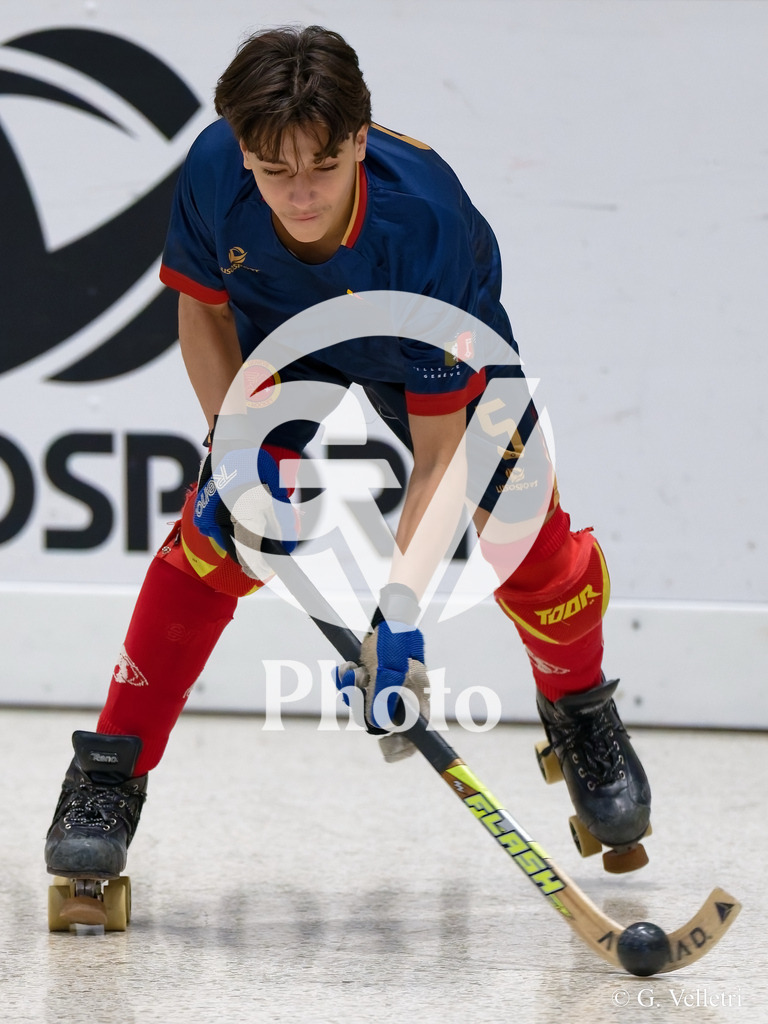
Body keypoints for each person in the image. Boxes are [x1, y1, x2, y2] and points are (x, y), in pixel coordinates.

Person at [44, 25, 651, 897]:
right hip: (280, 343)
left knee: (529, 542)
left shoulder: (425, 222)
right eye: (274, 171)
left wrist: (396, 621)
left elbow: (438, 456)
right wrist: (233, 457)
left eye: (324, 168)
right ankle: (107, 778)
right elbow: (205, 313)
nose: (299, 196)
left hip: (428, 346)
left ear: (361, 140)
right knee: (216, 543)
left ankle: (581, 710)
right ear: (246, 150)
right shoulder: (218, 164)